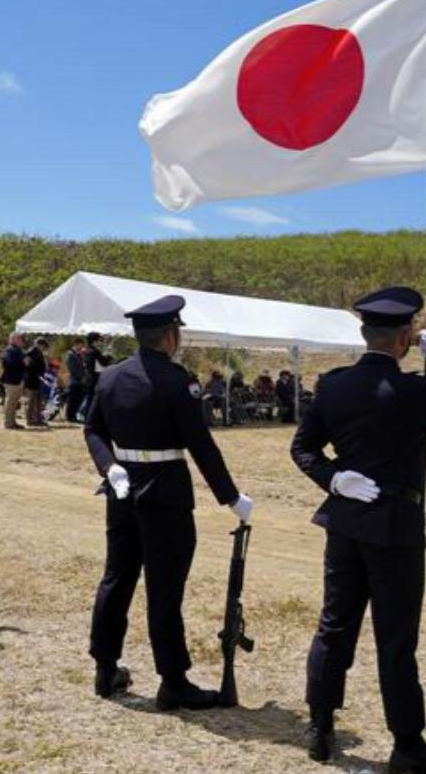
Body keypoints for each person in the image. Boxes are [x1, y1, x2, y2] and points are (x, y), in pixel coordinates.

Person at [291, 286, 426, 773]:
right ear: (407, 337)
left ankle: (320, 725)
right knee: (395, 639)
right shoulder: (414, 390)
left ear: (365, 333)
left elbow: (303, 450)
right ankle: (407, 745)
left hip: (345, 521)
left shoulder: (332, 385)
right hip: (395, 527)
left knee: (335, 624)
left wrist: (332, 478)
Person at [84, 295, 253, 710]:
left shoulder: (111, 377)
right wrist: (230, 497)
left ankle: (105, 667)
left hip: (123, 491)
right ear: (169, 336)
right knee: (164, 588)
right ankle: (173, 680)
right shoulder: (179, 381)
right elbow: (200, 443)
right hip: (164, 492)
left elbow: (92, 431)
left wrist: (110, 467)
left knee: (117, 578)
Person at [81, 331, 112, 415]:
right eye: (99, 340)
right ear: (94, 341)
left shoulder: (87, 351)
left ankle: (87, 417)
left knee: (89, 399)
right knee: (93, 400)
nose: (100, 342)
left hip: (88, 377)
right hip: (95, 378)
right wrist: (109, 353)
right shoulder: (94, 351)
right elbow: (104, 362)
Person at [0, 334, 26, 430]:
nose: (21, 340)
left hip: (18, 379)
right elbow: (8, 363)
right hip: (11, 380)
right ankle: (8, 422)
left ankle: (13, 421)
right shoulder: (9, 350)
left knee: (15, 402)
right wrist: (22, 362)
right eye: (19, 339)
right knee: (10, 401)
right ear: (13, 339)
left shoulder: (18, 351)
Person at [24, 338, 50, 427]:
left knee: (38, 401)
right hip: (31, 379)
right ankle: (30, 419)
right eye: (43, 346)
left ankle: (38, 418)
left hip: (38, 379)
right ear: (39, 344)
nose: (43, 348)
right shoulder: (31, 352)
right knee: (31, 401)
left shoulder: (39, 353)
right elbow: (29, 366)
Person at [65, 338, 87, 423]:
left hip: (80, 381)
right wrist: (80, 376)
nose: (81, 347)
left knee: (78, 399)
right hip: (74, 380)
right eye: (81, 345)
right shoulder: (70, 354)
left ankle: (74, 416)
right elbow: (72, 368)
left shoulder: (78, 354)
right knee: (72, 400)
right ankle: (70, 417)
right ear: (76, 344)